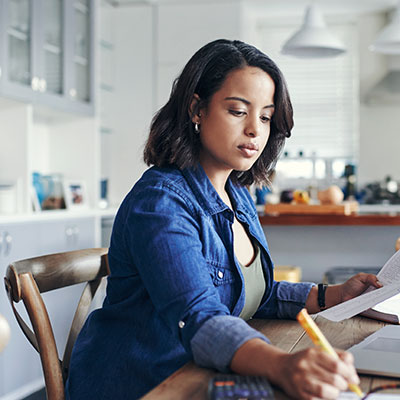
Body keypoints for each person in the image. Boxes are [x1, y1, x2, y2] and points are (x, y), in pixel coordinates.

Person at [66, 39, 381, 400]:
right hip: (144, 384)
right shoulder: (160, 204)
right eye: (237, 111)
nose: (255, 130)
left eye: (264, 116)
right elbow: (200, 316)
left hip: (199, 375)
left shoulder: (238, 195)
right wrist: (282, 365)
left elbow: (251, 295)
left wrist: (334, 295)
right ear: (197, 109)